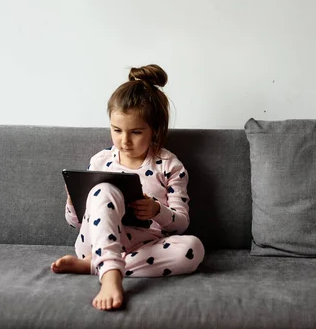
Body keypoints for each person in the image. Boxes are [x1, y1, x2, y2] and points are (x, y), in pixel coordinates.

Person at [51, 64, 205, 311]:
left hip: (146, 246)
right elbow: (76, 223)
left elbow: (181, 223)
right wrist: (73, 202)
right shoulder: (101, 161)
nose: (124, 141)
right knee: (104, 190)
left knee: (192, 249)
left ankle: (94, 266)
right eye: (116, 130)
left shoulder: (169, 166)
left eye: (135, 132)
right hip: (96, 242)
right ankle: (110, 275)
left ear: (154, 129)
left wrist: (156, 211)